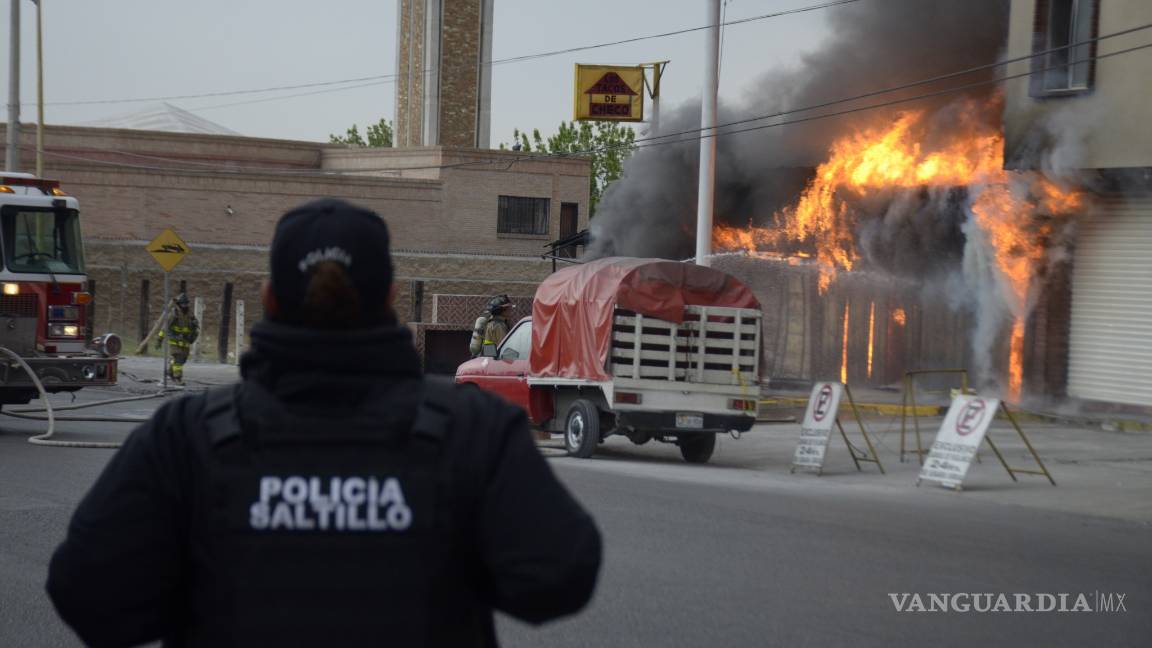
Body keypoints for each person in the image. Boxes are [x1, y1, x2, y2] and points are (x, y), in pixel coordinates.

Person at [47, 198, 602, 647]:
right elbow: (560, 576)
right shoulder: (470, 430)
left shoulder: (187, 436)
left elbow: (89, 596)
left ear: (268, 298)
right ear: (388, 296)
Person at [158, 292, 199, 384]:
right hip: (175, 340)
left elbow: (195, 325)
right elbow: (165, 327)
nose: (185, 305)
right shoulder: (174, 314)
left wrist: (194, 324)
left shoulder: (190, 313)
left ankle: (169, 372)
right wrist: (159, 339)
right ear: (179, 304)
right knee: (179, 359)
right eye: (183, 304)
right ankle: (178, 378)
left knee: (183, 360)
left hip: (185, 341)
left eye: (186, 303)